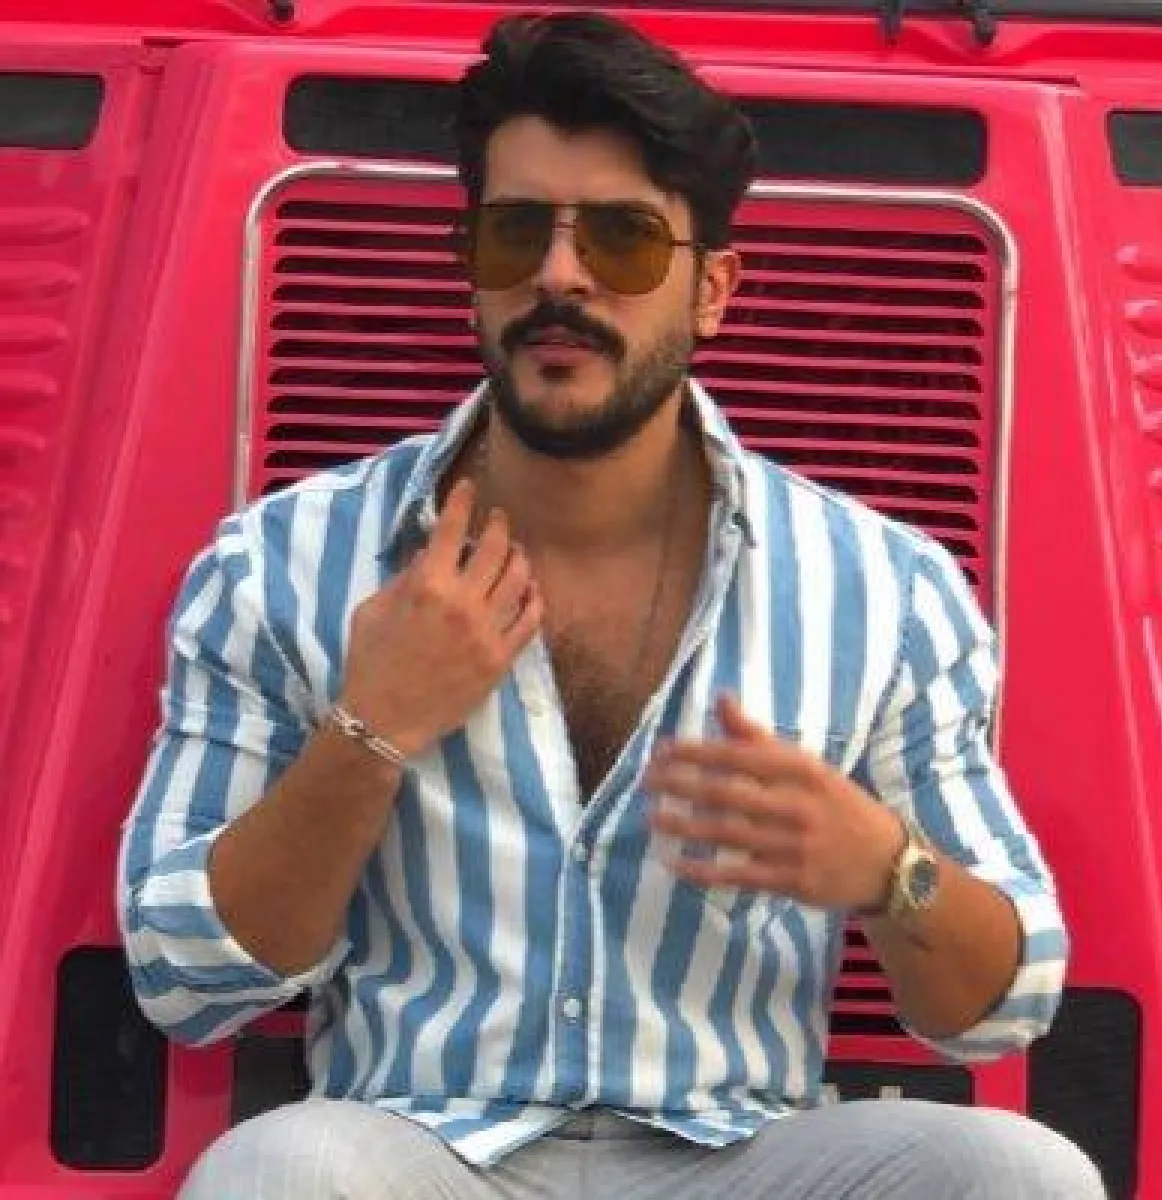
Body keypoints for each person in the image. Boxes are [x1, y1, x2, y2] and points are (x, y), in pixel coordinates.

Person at [118, 11, 1106, 1199]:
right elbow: (183, 981)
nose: (559, 276)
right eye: (516, 231)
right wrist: (369, 732)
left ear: (712, 290)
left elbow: (1005, 1007)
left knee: (1022, 1177)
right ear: (470, 267)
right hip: (418, 1148)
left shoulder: (880, 588)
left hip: (742, 1158)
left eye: (625, 240)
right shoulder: (285, 564)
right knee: (276, 1173)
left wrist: (886, 869)